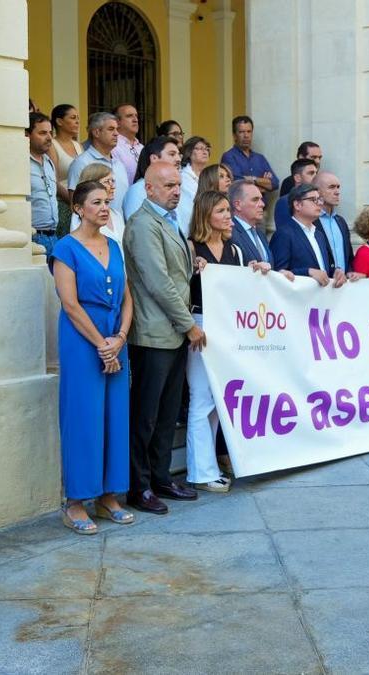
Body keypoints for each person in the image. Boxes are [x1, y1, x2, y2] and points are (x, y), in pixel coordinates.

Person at [122, 164, 205, 514]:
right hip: (154, 334)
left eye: (177, 185)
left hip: (171, 333)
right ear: (149, 189)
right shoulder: (143, 224)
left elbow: (175, 274)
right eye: (168, 185)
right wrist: (189, 325)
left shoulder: (169, 220)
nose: (176, 190)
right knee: (146, 415)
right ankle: (138, 487)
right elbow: (158, 283)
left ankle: (161, 477)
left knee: (168, 412)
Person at [53, 180, 135, 533]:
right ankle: (75, 501)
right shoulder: (65, 249)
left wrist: (119, 338)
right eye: (96, 202)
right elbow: (70, 304)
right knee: (83, 416)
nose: (104, 207)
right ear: (78, 208)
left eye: (106, 202)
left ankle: (107, 497)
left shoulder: (114, 246)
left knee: (115, 416)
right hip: (81, 340)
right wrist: (102, 343)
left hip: (115, 337)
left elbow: (128, 298)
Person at [185, 191, 274, 492]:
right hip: (199, 324)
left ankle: (208, 467)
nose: (227, 216)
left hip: (226, 327)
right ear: (206, 215)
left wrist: (257, 273)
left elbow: (241, 291)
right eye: (221, 211)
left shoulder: (234, 250)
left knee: (215, 400)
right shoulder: (191, 247)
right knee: (201, 397)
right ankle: (201, 472)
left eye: (227, 210)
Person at [271, 184, 346, 287]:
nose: (319, 203)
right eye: (313, 200)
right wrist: (308, 272)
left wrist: (336, 273)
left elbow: (323, 269)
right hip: (298, 300)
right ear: (297, 205)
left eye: (320, 199)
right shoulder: (284, 234)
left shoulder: (319, 235)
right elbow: (277, 273)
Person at [68, 112, 130, 214]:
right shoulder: (81, 163)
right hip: (94, 228)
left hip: (119, 226)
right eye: (111, 129)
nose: (116, 133)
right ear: (96, 133)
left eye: (117, 129)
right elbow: (75, 204)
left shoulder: (119, 164)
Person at [122, 136, 185, 229]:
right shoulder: (138, 190)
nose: (178, 159)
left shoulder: (177, 188)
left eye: (179, 155)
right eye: (172, 154)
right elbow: (139, 230)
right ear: (154, 158)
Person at [27, 112, 60, 268]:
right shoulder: (22, 162)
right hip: (34, 237)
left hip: (53, 235)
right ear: (27, 135)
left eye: (50, 133)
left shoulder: (48, 162)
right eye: (42, 133)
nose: (49, 137)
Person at [220, 115, 277, 193]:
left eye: (249, 131)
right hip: (240, 203)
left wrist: (253, 179)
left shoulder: (260, 158)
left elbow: (275, 183)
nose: (246, 136)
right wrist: (264, 184)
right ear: (234, 135)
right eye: (241, 132)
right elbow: (238, 182)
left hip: (261, 204)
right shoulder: (229, 156)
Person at [70, 164, 126, 241]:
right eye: (107, 181)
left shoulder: (117, 215)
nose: (113, 186)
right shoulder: (79, 217)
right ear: (92, 184)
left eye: (112, 181)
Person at [313, 172, 354, 274]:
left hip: (343, 285)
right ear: (317, 191)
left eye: (338, 187)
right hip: (321, 284)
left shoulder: (341, 221)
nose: (337, 192)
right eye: (331, 187)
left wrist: (350, 272)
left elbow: (349, 256)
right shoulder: (311, 221)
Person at [49, 104, 84, 204]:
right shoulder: (52, 145)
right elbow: (53, 180)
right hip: (63, 202)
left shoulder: (78, 145)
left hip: (82, 201)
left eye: (78, 118)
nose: (77, 122)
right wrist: (72, 201)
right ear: (59, 121)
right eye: (73, 118)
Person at [273, 158, 318, 229]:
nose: (316, 177)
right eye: (311, 173)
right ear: (297, 178)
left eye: (316, 173)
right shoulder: (285, 202)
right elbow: (285, 233)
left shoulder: (319, 200)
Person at [110, 103, 143, 183]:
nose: (135, 120)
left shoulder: (142, 147)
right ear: (117, 122)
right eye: (129, 116)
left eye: (136, 116)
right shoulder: (113, 146)